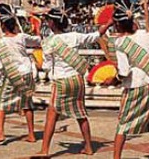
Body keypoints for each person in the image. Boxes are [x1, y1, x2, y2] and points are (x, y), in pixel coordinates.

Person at [37, 8, 112, 156]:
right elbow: (96, 35)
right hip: (77, 79)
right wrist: (109, 23)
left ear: (51, 23)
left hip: (60, 81)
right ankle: (89, 147)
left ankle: (44, 150)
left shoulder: (49, 42)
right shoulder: (75, 36)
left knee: (51, 114)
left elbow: (45, 66)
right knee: (80, 113)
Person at [111, 0, 149, 159]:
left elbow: (124, 71)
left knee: (123, 123)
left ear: (117, 25)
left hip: (135, 86)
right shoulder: (145, 35)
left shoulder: (120, 42)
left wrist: (113, 80)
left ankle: (116, 157)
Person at [0, 4, 41, 146]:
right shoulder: (22, 37)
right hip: (27, 73)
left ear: (3, 26)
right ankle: (31, 134)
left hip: (13, 75)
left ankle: (0, 133)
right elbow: (37, 41)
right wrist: (37, 30)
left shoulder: (1, 43)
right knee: (27, 104)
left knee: (1, 104)